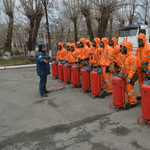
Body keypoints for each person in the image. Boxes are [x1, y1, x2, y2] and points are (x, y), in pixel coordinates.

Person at [121, 42, 137, 109]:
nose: (123, 49)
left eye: (124, 48)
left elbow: (133, 69)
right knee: (127, 90)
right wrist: (120, 72)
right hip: (126, 76)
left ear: (128, 48)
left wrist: (129, 77)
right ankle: (129, 100)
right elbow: (124, 67)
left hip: (129, 77)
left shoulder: (132, 57)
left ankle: (133, 102)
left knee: (130, 90)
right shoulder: (126, 57)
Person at [135, 33, 150, 100]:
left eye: (140, 40)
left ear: (144, 40)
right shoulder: (139, 49)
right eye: (138, 40)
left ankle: (147, 95)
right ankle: (142, 94)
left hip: (146, 68)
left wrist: (149, 69)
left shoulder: (148, 47)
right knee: (140, 82)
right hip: (140, 69)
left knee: (146, 83)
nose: (139, 41)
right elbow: (136, 58)